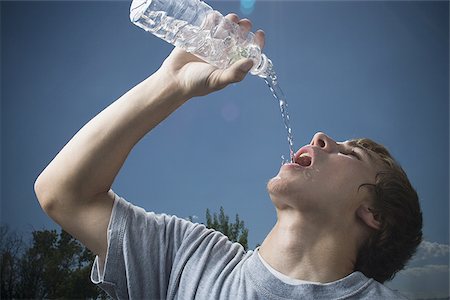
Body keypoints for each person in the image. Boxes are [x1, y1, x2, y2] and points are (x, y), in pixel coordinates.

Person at [34, 13, 422, 300]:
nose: (322, 138)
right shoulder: (189, 260)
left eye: (349, 154)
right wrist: (170, 84)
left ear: (374, 215)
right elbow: (63, 194)